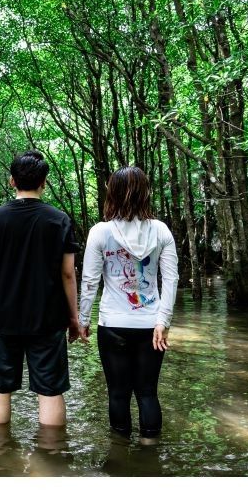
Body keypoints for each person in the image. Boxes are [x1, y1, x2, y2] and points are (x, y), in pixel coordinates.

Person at [0, 150, 85, 427]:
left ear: (11, 181)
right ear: (44, 181)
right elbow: (68, 274)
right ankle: (52, 454)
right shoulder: (59, 220)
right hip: (47, 318)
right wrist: (74, 318)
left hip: (2, 318)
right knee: (50, 390)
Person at [78, 166, 178, 440]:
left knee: (118, 394)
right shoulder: (160, 231)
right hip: (151, 326)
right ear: (145, 194)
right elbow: (171, 280)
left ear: (113, 193)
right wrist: (163, 321)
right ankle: (149, 452)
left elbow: (89, 281)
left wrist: (82, 321)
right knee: (147, 393)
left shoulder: (100, 232)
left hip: (113, 325)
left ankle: (120, 454)